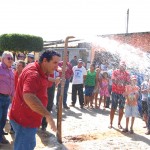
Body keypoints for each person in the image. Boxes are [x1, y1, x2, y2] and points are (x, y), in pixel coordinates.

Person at [9, 50, 59, 150]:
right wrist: (47, 115)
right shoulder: (33, 73)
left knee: (26, 145)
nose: (57, 66)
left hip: (27, 119)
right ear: (45, 60)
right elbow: (28, 96)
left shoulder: (40, 69)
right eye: (55, 62)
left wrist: (54, 81)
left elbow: (42, 83)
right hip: (24, 121)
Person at [109, 61, 130, 129]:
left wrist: (125, 88)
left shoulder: (127, 74)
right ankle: (111, 123)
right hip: (115, 92)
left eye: (123, 66)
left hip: (122, 93)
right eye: (121, 65)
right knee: (113, 108)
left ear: (125, 67)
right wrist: (118, 82)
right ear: (119, 66)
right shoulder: (115, 71)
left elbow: (128, 82)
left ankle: (119, 123)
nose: (122, 67)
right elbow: (113, 80)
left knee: (121, 108)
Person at [0, 51, 14, 144]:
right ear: (3, 58)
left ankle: (0, 135)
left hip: (7, 98)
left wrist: (12, 95)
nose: (10, 60)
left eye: (11, 58)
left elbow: (12, 84)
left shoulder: (11, 69)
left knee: (3, 119)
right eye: (8, 58)